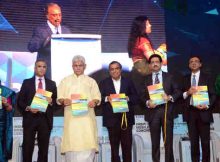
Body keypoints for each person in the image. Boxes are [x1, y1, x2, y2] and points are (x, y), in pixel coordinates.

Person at [57, 55, 101, 162]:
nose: (78, 68)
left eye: (80, 65)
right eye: (75, 66)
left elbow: (97, 98)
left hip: (87, 119)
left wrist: (93, 102)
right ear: (72, 66)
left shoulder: (91, 81)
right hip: (71, 120)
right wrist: (64, 101)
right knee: (71, 146)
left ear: (84, 66)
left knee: (88, 144)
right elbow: (59, 98)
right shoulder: (65, 81)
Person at [141, 54, 181, 162]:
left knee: (168, 142)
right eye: (152, 62)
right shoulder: (145, 79)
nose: (154, 64)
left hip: (167, 111)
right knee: (154, 143)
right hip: (152, 113)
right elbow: (141, 96)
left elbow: (178, 91)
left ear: (161, 63)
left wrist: (170, 97)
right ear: (149, 65)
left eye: (157, 62)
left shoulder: (170, 77)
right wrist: (148, 102)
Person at [17, 59, 58, 162]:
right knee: (27, 149)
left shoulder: (52, 84)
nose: (42, 69)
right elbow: (20, 101)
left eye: (44, 67)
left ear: (46, 69)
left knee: (43, 150)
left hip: (45, 119)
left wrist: (51, 101)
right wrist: (28, 108)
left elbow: (57, 103)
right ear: (35, 68)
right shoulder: (27, 82)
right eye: (39, 66)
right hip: (30, 119)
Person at [99, 61, 138, 162]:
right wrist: (107, 98)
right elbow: (98, 99)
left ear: (120, 70)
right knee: (114, 149)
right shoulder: (103, 83)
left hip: (126, 120)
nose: (114, 71)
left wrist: (128, 98)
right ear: (109, 71)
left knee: (127, 148)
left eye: (116, 68)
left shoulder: (128, 81)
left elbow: (136, 97)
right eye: (112, 69)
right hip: (111, 121)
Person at [182, 55, 216, 162]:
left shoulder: (208, 77)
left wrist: (207, 105)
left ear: (200, 64)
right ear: (189, 65)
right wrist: (188, 92)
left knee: (205, 142)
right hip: (190, 113)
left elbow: (213, 95)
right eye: (191, 61)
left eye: (196, 61)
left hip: (204, 112)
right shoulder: (185, 78)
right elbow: (181, 96)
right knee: (194, 143)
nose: (194, 63)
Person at [28, 2, 71, 78]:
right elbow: (31, 47)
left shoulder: (66, 31)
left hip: (63, 71)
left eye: (59, 15)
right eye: (54, 15)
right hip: (46, 73)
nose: (58, 18)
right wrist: (45, 41)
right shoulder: (40, 30)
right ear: (47, 16)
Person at [0, 81, 15, 162]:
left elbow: (11, 109)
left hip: (2, 126)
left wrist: (6, 104)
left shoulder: (6, 92)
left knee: (2, 152)